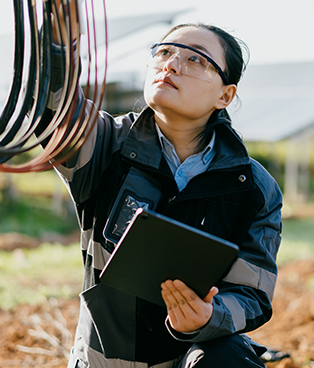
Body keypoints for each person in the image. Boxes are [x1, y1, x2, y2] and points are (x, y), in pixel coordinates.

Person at [45, 22, 283, 368]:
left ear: (225, 96)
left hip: (189, 358)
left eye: (195, 60)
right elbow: (55, 108)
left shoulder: (252, 187)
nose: (171, 65)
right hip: (104, 360)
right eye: (164, 52)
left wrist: (207, 316)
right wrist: (58, 37)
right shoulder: (106, 145)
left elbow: (252, 292)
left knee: (227, 357)